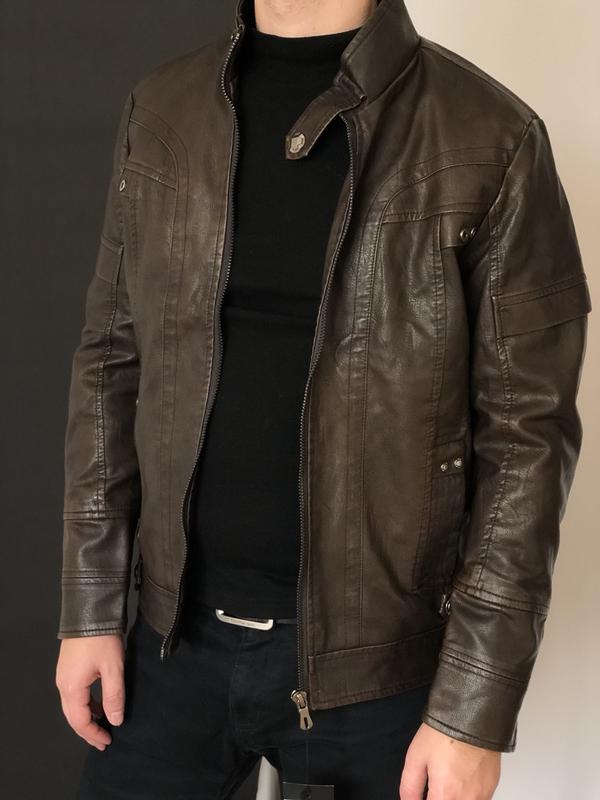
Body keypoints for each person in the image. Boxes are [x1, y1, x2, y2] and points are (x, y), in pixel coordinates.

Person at [55, 0, 592, 798]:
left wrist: (471, 709)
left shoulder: (493, 138)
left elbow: (528, 441)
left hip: (383, 678)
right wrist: (91, 606)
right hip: (171, 645)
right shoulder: (163, 109)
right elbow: (110, 361)